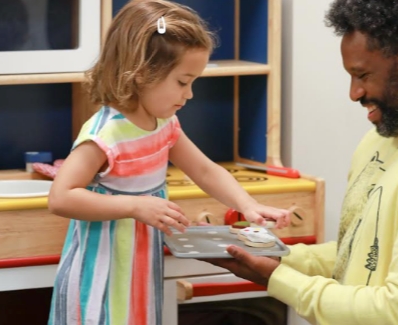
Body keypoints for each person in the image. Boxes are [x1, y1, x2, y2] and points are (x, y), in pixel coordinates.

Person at [202, 1, 398, 324]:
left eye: (362, 75)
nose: (354, 93)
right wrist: (274, 254)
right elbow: (361, 257)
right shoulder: (384, 138)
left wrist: (277, 278)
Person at [46, 1, 290, 324]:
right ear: (142, 72)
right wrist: (134, 206)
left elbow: (204, 169)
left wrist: (248, 205)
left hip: (139, 267)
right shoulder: (105, 133)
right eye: (182, 82)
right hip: (101, 271)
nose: (189, 94)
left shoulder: (165, 124)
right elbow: (61, 197)